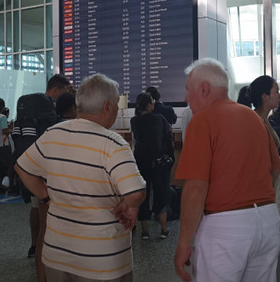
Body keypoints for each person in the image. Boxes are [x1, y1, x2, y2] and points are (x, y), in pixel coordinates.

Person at [15, 73, 146, 282]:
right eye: (116, 104)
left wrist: (47, 197)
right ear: (107, 107)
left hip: (57, 253)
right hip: (101, 260)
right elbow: (136, 192)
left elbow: (22, 168)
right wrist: (130, 205)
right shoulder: (113, 143)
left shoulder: (53, 134)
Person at [174, 58, 280, 282]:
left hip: (225, 227)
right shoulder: (253, 117)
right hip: (268, 220)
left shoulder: (202, 120)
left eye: (188, 90)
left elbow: (195, 188)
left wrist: (183, 243)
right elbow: (275, 168)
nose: (186, 98)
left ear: (203, 89)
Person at [13, 73, 70, 281]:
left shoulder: (29, 105)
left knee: (35, 209)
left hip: (29, 170)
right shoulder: (47, 108)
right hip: (44, 175)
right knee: (47, 225)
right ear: (57, 89)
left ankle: (33, 243)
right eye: (64, 92)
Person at [130, 92, 174, 240]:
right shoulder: (159, 119)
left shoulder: (134, 121)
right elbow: (168, 139)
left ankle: (145, 231)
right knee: (161, 193)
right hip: (159, 162)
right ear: (149, 104)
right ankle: (163, 230)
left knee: (143, 194)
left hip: (141, 161)